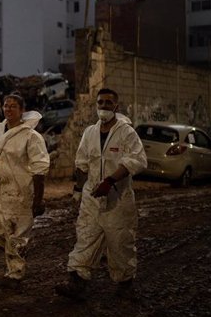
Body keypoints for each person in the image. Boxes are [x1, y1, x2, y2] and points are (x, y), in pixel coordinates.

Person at [55, 88, 147, 301]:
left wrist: (110, 181)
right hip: (91, 198)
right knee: (85, 237)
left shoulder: (126, 133)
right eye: (100, 103)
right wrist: (78, 190)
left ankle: (125, 283)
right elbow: (82, 164)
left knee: (120, 242)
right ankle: (77, 281)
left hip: (118, 199)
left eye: (108, 103)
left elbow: (136, 160)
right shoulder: (89, 132)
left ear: (116, 106)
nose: (103, 106)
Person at [0, 93, 49, 288]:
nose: (8, 109)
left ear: (21, 111)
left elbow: (39, 168)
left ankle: (16, 273)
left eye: (13, 106)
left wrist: (38, 198)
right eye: (6, 105)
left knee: (16, 232)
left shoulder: (31, 136)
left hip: (18, 192)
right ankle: (15, 255)